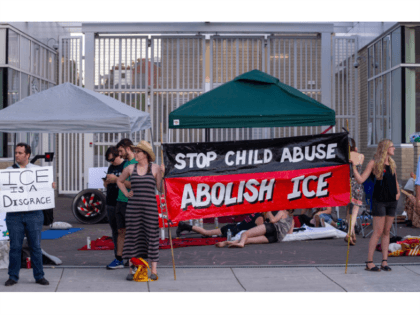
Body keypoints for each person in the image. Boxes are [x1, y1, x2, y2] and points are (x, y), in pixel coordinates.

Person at [5, 143, 56, 286]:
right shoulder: (8, 171)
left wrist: (51, 186)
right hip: (14, 215)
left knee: (35, 246)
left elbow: (45, 188)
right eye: (16, 152)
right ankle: (13, 276)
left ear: (27, 155)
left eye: (20, 153)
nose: (17, 155)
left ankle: (39, 276)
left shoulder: (38, 171)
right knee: (15, 247)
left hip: (33, 214)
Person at [351, 139, 400, 272]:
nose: (394, 148)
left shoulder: (392, 163)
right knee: (377, 232)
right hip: (379, 201)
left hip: (392, 201)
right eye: (392, 146)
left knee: (386, 232)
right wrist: (354, 167)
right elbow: (361, 179)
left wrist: (398, 192)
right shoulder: (374, 163)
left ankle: (384, 261)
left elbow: (395, 180)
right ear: (385, 148)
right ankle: (369, 262)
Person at [117, 140, 163, 281]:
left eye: (138, 151)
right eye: (135, 151)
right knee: (133, 237)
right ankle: (132, 270)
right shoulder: (131, 168)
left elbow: (160, 189)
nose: (135, 154)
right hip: (133, 209)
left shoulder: (155, 168)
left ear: (145, 154)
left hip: (150, 209)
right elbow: (119, 180)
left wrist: (163, 173)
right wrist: (125, 192)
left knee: (152, 237)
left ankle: (153, 270)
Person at [106, 138, 137, 270]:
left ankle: (133, 259)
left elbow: (134, 184)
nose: (120, 154)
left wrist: (117, 180)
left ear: (127, 148)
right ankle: (119, 258)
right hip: (120, 201)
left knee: (132, 232)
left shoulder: (136, 164)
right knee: (120, 231)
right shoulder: (126, 164)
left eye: (120, 151)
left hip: (130, 202)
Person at [216, 210, 294, 248]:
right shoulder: (292, 219)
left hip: (272, 227)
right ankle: (226, 243)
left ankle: (241, 243)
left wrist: (268, 210)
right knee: (248, 240)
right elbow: (290, 233)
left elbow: (273, 220)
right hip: (277, 237)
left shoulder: (282, 212)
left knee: (245, 234)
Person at [102, 146, 125, 266]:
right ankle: (118, 257)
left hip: (120, 201)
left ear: (119, 155)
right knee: (115, 231)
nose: (111, 162)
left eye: (112, 159)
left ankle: (125, 257)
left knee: (123, 231)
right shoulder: (112, 167)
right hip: (110, 201)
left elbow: (127, 182)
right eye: (109, 161)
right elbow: (106, 183)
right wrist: (106, 182)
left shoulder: (125, 165)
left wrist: (115, 179)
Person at [176, 213, 265, 239]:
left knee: (207, 232)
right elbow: (260, 231)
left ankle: (185, 226)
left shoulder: (255, 214)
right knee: (207, 233)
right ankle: (185, 226)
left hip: (232, 227)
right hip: (234, 230)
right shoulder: (260, 218)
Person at [345, 138, 365, 245]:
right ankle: (349, 233)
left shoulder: (344, 157)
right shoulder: (361, 156)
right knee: (355, 211)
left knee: (348, 210)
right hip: (356, 184)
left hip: (345, 184)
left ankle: (351, 234)